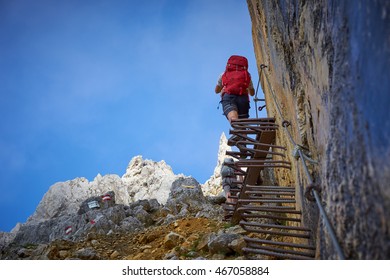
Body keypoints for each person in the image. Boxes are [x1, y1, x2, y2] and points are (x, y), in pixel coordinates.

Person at [215, 55, 255, 123]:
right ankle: (243, 132)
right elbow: (252, 93)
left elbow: (216, 90)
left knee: (233, 117)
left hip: (228, 97)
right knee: (243, 125)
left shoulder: (224, 74)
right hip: (243, 99)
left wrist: (222, 88)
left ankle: (234, 120)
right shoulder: (247, 75)